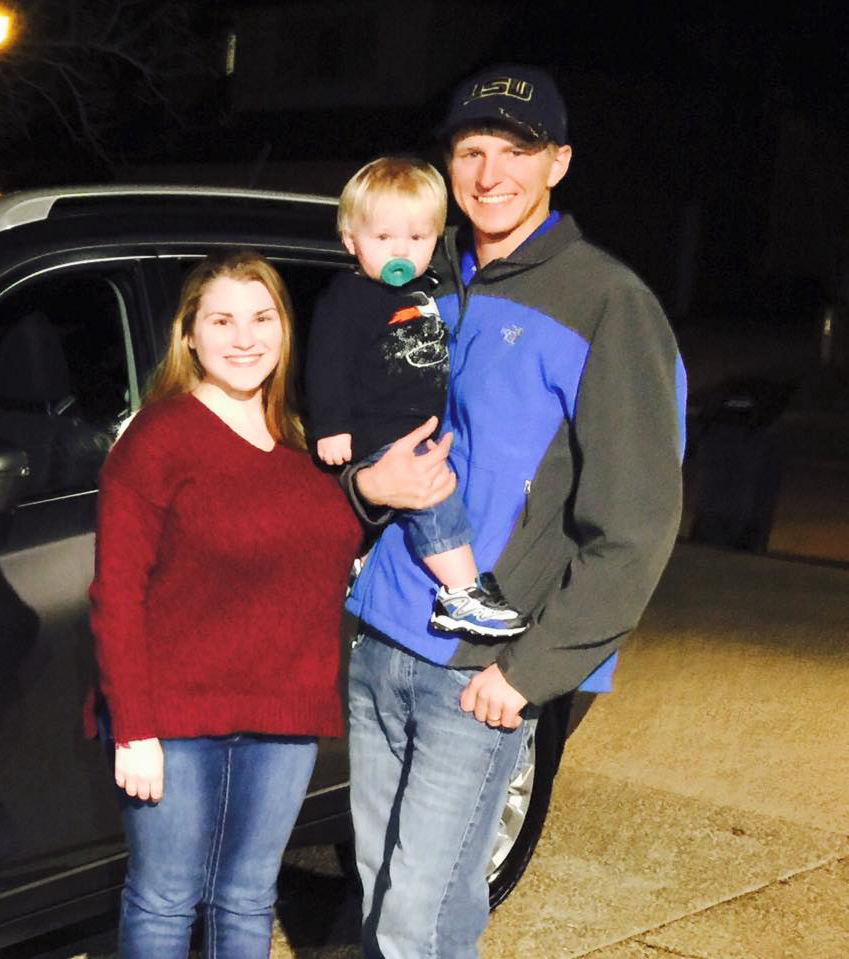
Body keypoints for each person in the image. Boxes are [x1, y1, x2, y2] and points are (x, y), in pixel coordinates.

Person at [343, 64, 687, 957]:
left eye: (517, 151)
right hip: (381, 637)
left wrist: (530, 670)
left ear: (557, 163)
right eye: (471, 151)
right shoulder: (420, 277)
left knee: (412, 924)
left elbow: (636, 527)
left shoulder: (608, 305)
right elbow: (366, 433)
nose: (490, 173)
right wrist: (360, 494)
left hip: (478, 672)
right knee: (394, 901)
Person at [85, 251, 361, 959]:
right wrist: (133, 730)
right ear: (189, 335)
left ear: (285, 329)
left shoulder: (305, 443)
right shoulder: (158, 438)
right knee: (166, 896)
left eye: (262, 318)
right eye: (221, 320)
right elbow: (117, 592)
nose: (244, 338)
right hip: (172, 717)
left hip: (283, 717)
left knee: (247, 896)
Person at [306, 155, 528, 638]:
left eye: (417, 238)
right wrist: (331, 426)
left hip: (414, 429)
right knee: (432, 494)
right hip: (376, 429)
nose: (400, 251)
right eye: (383, 238)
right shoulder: (348, 298)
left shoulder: (426, 288)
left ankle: (365, 561)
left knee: (431, 490)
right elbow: (326, 362)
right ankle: (460, 592)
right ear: (351, 241)